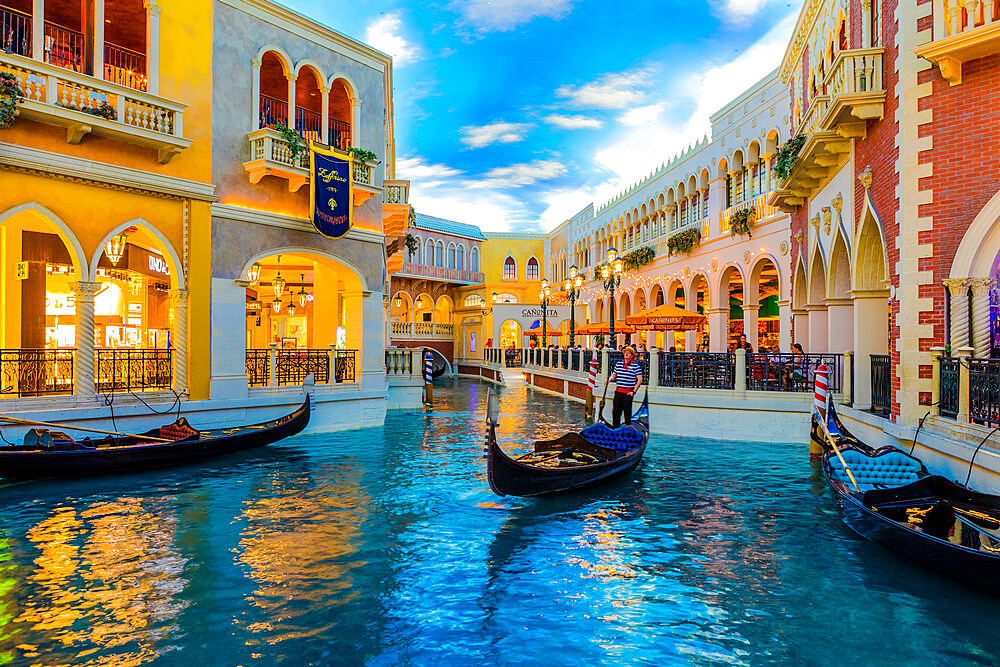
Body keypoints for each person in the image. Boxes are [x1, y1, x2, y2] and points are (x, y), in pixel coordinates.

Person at [603, 346, 643, 427]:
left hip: (628, 393)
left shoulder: (636, 366)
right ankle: (615, 428)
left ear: (632, 356)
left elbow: (640, 380)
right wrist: (609, 380)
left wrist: (634, 392)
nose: (626, 354)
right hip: (618, 392)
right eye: (626, 353)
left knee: (627, 412)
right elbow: (614, 375)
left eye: (629, 353)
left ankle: (627, 427)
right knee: (616, 412)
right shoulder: (618, 364)